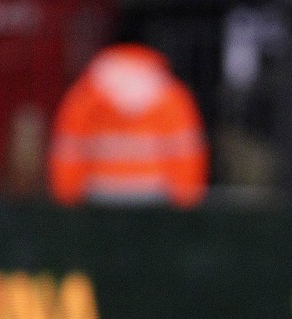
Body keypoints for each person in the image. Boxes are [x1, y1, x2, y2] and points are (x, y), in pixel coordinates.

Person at [47, 43, 208, 208]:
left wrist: (68, 200)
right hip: (110, 202)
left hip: (133, 202)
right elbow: (187, 158)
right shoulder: (173, 99)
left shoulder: (83, 98)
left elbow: (68, 156)